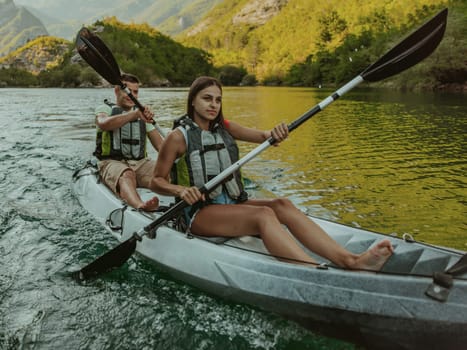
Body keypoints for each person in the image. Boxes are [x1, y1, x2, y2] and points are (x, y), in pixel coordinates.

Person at [151, 76, 394, 270]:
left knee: (282, 204)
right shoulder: (177, 138)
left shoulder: (225, 128)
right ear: (192, 100)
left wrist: (276, 132)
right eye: (207, 98)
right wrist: (180, 190)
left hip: (231, 204)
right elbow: (156, 181)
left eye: (218, 99)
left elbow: (265, 137)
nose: (213, 105)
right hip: (199, 213)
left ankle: (350, 260)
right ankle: (311, 270)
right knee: (264, 215)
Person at [94, 73, 164, 212]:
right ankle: (140, 206)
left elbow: (161, 147)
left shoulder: (142, 116)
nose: (131, 95)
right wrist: (135, 114)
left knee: (167, 171)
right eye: (127, 91)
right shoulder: (105, 109)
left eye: (135, 92)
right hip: (112, 163)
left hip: (140, 163)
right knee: (127, 174)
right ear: (116, 90)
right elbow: (103, 124)